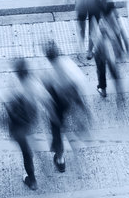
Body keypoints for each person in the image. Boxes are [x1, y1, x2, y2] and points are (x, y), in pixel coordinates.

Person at [42, 41, 90, 173]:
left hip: (58, 103)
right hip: (70, 100)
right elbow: (79, 84)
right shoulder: (68, 63)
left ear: (48, 57)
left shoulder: (50, 72)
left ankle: (60, 159)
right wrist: (84, 108)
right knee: (63, 123)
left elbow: (47, 91)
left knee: (56, 129)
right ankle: (76, 133)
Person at [4, 59, 42, 190]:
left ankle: (32, 181)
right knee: (28, 149)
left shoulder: (16, 89)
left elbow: (9, 111)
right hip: (30, 123)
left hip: (19, 128)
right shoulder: (33, 84)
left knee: (26, 153)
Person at [92, 1, 127, 99]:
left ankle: (103, 91)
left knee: (101, 70)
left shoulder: (99, 19)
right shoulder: (114, 19)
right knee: (114, 71)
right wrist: (122, 50)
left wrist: (90, 50)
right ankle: (120, 93)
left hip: (100, 49)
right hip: (112, 50)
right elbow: (119, 35)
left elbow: (93, 36)